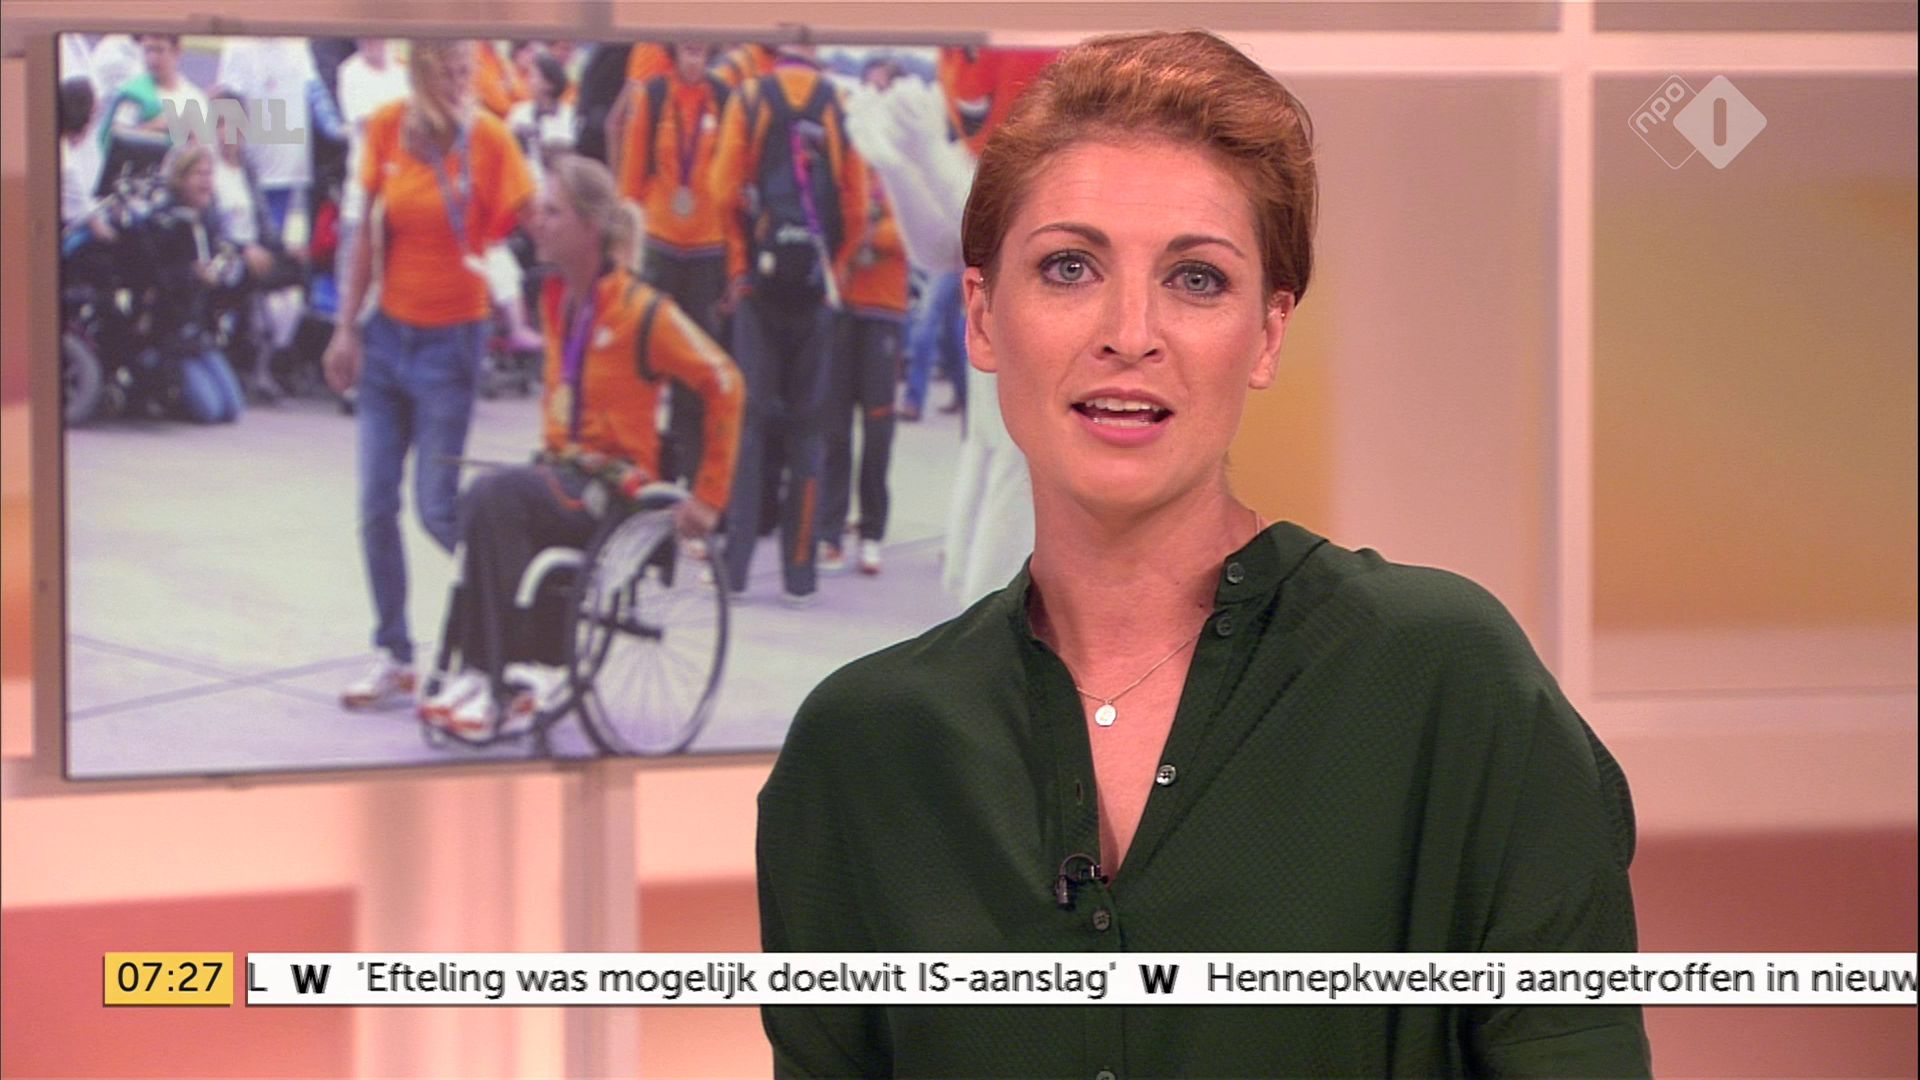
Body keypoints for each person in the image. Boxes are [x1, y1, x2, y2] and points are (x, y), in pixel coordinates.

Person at [756, 30, 1652, 1078]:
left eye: (1195, 278)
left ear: (1267, 335)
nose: (1130, 332)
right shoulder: (861, 752)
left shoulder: (1443, 679)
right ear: (983, 315)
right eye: (1070, 267)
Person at [419, 155, 744, 734]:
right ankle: (481, 667)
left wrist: (709, 496)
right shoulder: (555, 301)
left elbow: (725, 383)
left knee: (499, 496)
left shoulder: (643, 311)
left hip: (614, 490)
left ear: (590, 228)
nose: (538, 223)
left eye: (552, 212)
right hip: (561, 474)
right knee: (480, 500)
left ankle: (508, 674)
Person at [323, 39, 535, 711]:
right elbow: (366, 232)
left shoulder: (490, 138)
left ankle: (510, 630)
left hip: (452, 341)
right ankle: (393, 654)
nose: (456, 83)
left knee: (437, 507)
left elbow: (529, 218)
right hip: (387, 337)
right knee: (374, 506)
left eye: (464, 71)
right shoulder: (388, 126)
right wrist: (345, 327)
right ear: (417, 72)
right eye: (444, 71)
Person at [707, 44, 869, 605]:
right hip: (816, 294)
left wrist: (738, 268)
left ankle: (734, 568)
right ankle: (800, 574)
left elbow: (721, 190)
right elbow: (857, 205)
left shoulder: (749, 98)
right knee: (808, 431)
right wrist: (835, 273)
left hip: (760, 289)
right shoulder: (839, 104)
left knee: (748, 427)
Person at [616, 41, 731, 490]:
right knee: (645, 357)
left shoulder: (724, 98)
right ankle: (642, 461)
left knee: (694, 365)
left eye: (701, 48)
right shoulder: (654, 95)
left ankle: (691, 470)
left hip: (708, 248)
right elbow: (630, 177)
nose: (694, 55)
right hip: (660, 243)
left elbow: (733, 177)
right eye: (686, 47)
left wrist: (734, 258)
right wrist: (626, 253)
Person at [817, 175, 906, 576]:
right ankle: (830, 530)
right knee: (834, 426)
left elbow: (909, 233)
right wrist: (855, 235)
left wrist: (866, 234)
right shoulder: (847, 164)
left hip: (884, 311)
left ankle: (871, 531)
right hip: (842, 307)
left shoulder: (902, 169)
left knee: (877, 430)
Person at [100, 34, 208, 151]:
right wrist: (157, 127)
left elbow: (205, 149)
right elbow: (117, 139)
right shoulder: (134, 93)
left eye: (159, 50)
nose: (153, 58)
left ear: (177, 51)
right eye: (148, 50)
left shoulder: (195, 98)